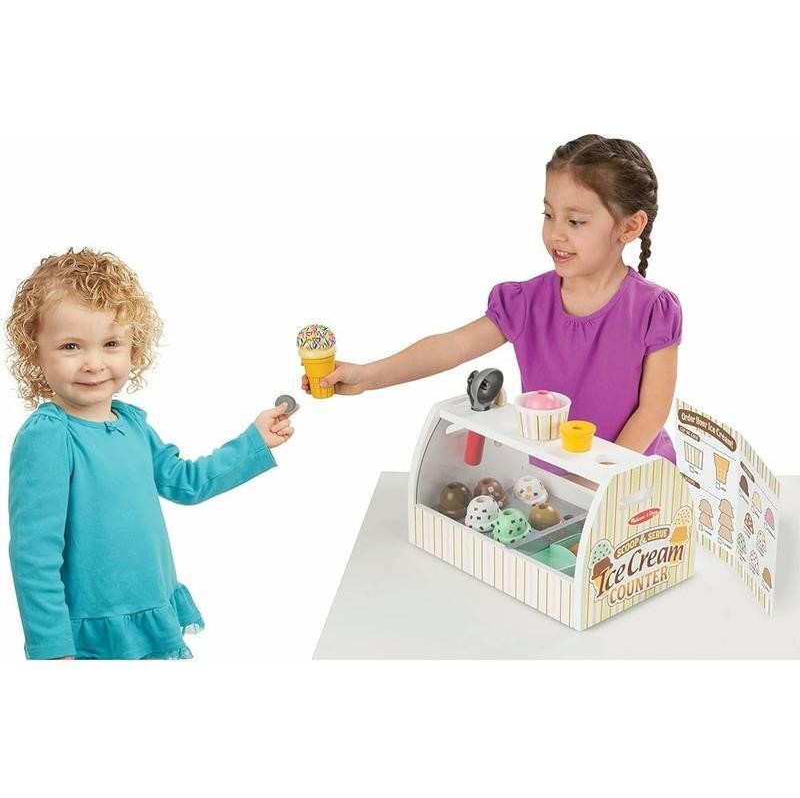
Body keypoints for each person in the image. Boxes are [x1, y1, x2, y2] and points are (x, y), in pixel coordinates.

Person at [301, 134, 681, 465]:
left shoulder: (653, 310)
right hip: (553, 480)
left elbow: (652, 411)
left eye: (575, 221)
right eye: (549, 215)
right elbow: (450, 347)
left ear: (630, 226)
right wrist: (367, 375)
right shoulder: (526, 303)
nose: (555, 234)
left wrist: (601, 478)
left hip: (632, 481)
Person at [6, 248, 296, 659]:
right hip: (94, 638)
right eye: (71, 346)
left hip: (153, 616)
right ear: (34, 351)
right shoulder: (49, 436)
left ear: (133, 347)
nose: (93, 363)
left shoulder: (132, 423)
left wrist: (254, 441)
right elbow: (34, 553)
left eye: (110, 343)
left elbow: (186, 482)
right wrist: (52, 648)